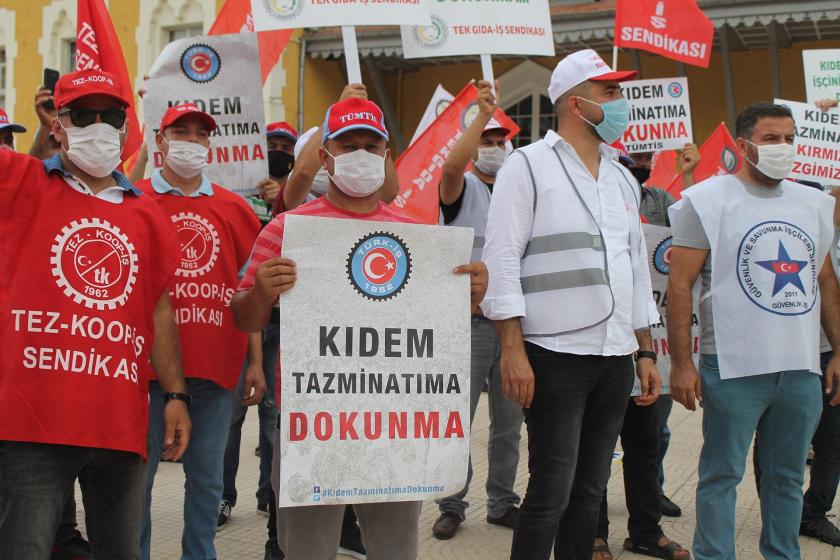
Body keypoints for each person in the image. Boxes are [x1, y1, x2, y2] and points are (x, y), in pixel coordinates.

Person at [231, 96, 489, 560]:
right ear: (325, 155)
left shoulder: (418, 236)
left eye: (372, 146)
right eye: (348, 145)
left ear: (387, 155)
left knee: (395, 551)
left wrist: (468, 297)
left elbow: (434, 332)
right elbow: (241, 317)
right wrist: (263, 293)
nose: (361, 155)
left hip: (393, 425)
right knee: (307, 551)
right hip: (311, 427)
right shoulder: (288, 229)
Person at [0, 68, 191, 558]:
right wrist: (41, 134)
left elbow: (160, 307)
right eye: (84, 114)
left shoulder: (146, 211)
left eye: (111, 115)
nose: (99, 125)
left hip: (118, 423)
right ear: (59, 123)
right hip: (32, 424)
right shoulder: (21, 183)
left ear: (127, 127)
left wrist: (175, 394)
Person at [480, 49, 662, 560]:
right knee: (550, 492)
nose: (621, 102)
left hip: (613, 354)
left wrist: (644, 351)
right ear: (576, 102)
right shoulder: (528, 165)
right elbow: (503, 262)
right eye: (611, 93)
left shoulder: (623, 176)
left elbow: (634, 269)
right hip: (554, 352)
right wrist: (512, 351)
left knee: (590, 490)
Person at [667, 101, 840, 560]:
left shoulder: (814, 204)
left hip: (800, 368)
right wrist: (682, 364)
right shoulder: (704, 200)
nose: (783, 147)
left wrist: (838, 350)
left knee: (786, 477)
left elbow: (824, 280)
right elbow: (680, 285)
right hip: (732, 366)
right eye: (770, 139)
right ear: (744, 145)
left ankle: (783, 554)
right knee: (722, 475)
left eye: (789, 138)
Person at [137, 103, 264, 560]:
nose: (191, 141)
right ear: (161, 141)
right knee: (139, 479)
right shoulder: (133, 199)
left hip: (216, 368)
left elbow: (246, 290)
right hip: (144, 372)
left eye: (199, 134)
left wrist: (255, 361)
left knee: (208, 479)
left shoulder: (233, 207)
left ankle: (200, 554)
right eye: (181, 132)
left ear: (210, 144)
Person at [431, 79, 524, 540]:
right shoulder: (462, 186)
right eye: (486, 141)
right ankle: (451, 503)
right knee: (457, 419)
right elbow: (449, 165)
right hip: (465, 324)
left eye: (500, 140)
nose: (493, 146)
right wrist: (483, 114)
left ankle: (503, 502)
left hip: (511, 325)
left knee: (509, 422)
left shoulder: (518, 191)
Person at [592, 148, 691, 560]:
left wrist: (647, 354)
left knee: (645, 446)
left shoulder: (646, 216)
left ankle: (646, 532)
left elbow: (641, 297)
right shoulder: (590, 217)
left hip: (637, 351)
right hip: (593, 354)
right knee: (594, 450)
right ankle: (593, 533)